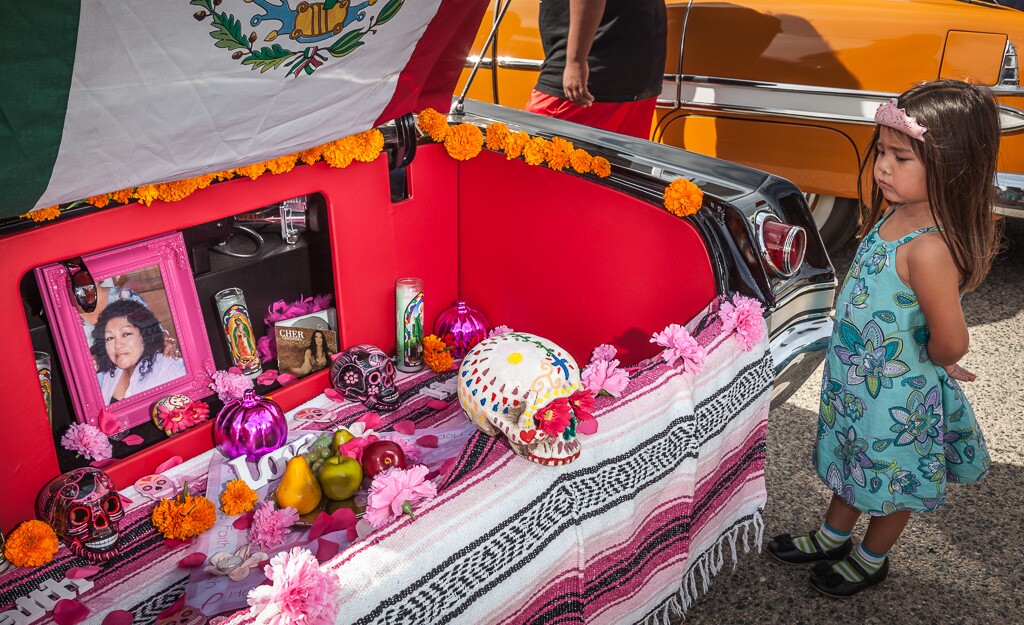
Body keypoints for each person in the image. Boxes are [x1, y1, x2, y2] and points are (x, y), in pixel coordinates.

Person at [767, 79, 999, 597]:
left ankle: (872, 557)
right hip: (861, 385)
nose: (883, 168)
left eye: (901, 158)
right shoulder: (898, 214)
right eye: (882, 152)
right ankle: (833, 535)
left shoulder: (930, 249)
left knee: (891, 479)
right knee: (857, 463)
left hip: (897, 397)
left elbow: (952, 340)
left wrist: (936, 361)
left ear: (952, 166)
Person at [523, 0, 666, 139]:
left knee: (528, 153)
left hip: (593, 64)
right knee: (616, 161)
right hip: (637, 60)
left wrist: (576, 61)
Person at [91, 299, 187, 404]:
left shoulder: (169, 369)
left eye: (126, 334)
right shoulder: (110, 374)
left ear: (145, 335)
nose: (117, 346)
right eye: (110, 338)